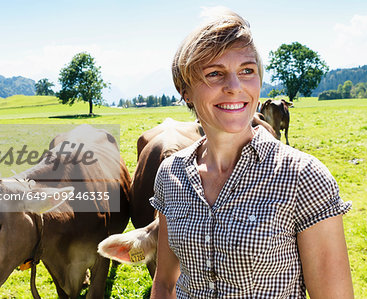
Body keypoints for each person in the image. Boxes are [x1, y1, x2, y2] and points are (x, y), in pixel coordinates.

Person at [149, 10, 354, 298]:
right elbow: (165, 283)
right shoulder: (171, 174)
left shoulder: (303, 177)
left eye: (247, 71)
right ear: (186, 91)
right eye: (214, 74)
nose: (235, 88)